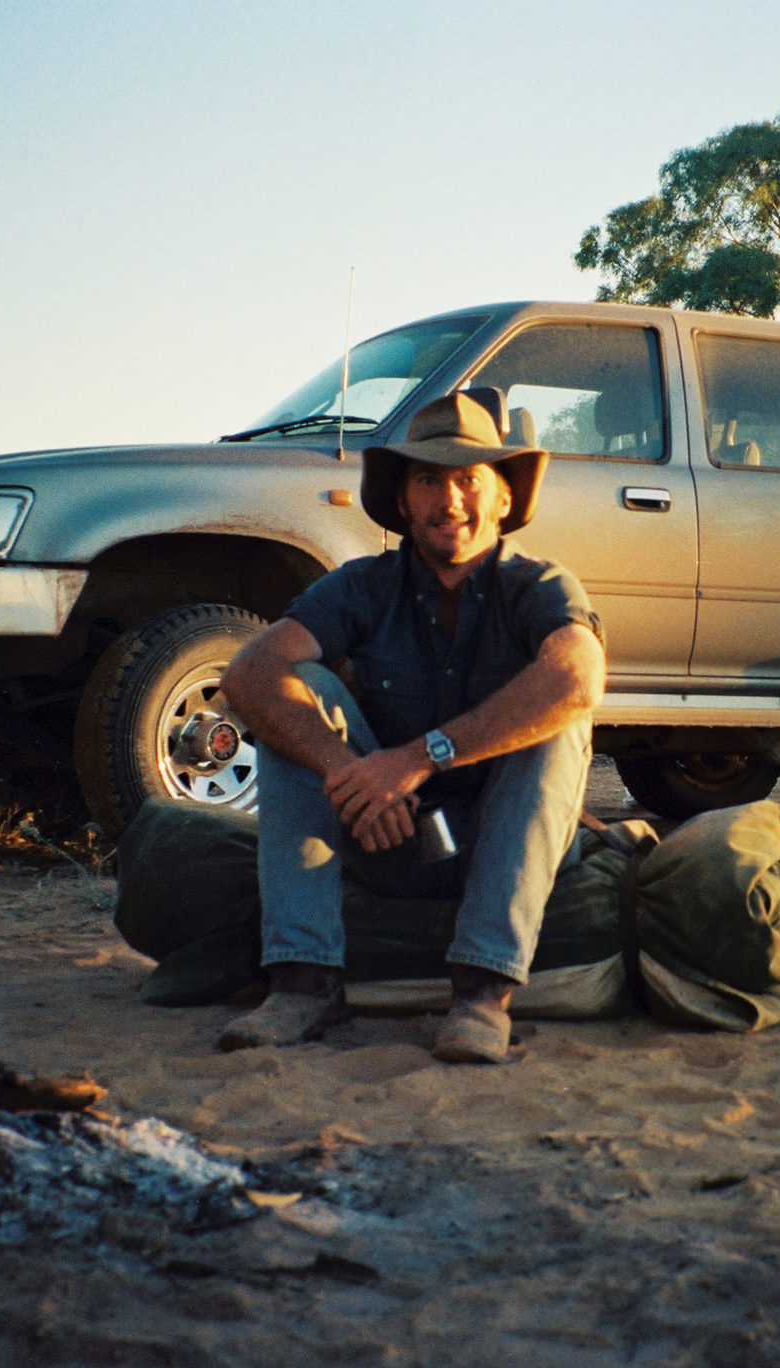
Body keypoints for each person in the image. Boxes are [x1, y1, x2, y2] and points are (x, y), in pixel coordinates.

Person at [216, 387, 606, 1064]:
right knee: (294, 692)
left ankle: (484, 994)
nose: (449, 500)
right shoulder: (362, 584)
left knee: (557, 718)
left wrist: (418, 758)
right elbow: (249, 672)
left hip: (503, 842)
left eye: (468, 479)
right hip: (387, 835)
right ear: (402, 500)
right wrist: (348, 770)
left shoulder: (540, 585)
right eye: (429, 479)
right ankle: (303, 981)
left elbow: (578, 678)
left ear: (505, 498)